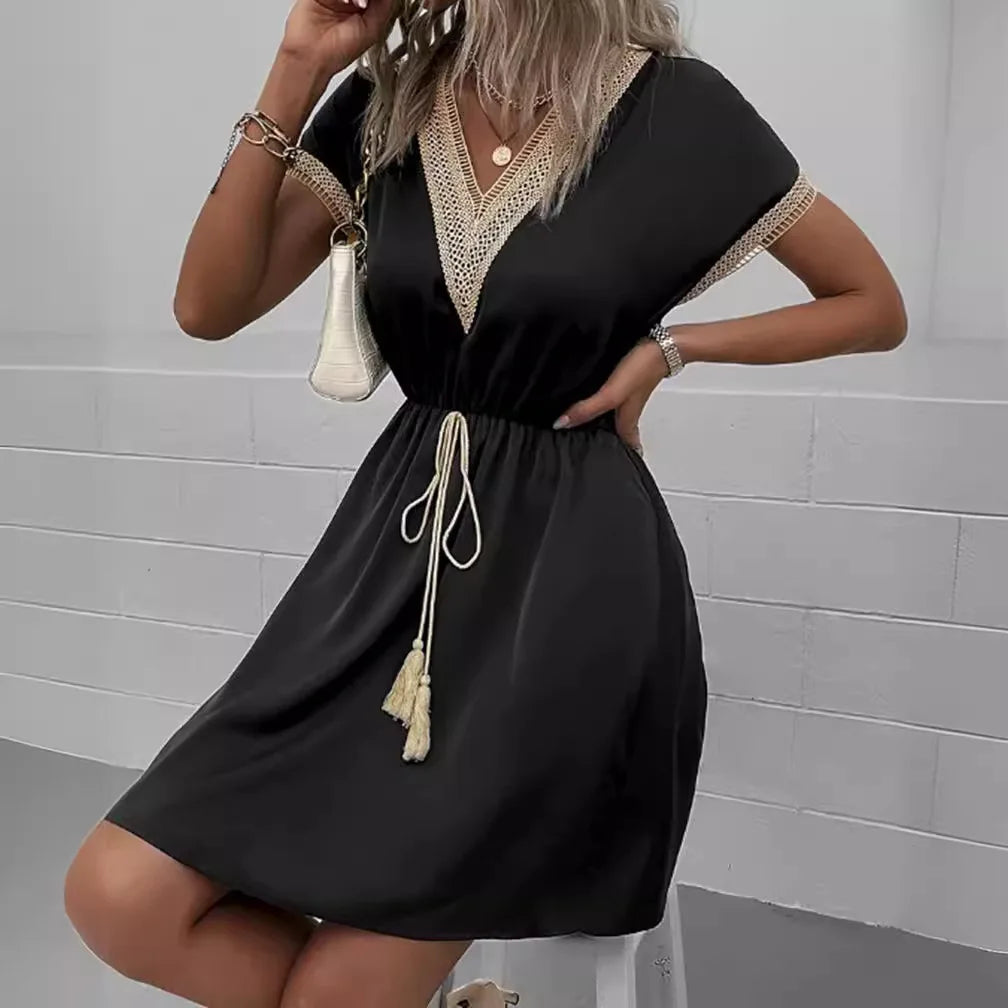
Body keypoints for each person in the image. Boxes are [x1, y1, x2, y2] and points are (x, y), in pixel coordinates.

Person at [63, 1, 907, 1006]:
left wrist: (670, 351)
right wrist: (297, 65)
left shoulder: (678, 108)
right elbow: (207, 306)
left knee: (336, 996)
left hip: (568, 589)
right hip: (389, 563)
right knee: (118, 898)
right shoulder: (386, 103)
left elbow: (871, 303)